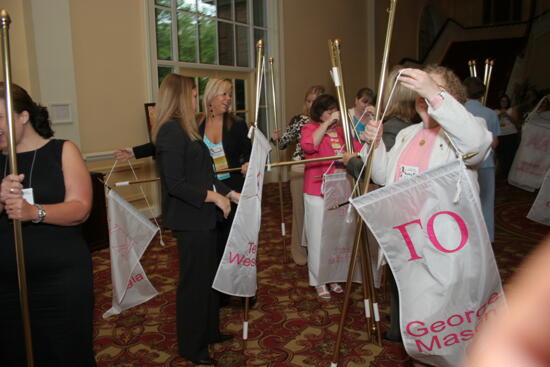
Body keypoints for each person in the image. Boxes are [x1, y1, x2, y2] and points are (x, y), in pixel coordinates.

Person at [343, 65, 492, 344]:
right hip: (407, 239)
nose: (425, 98)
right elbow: (384, 176)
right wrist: (374, 145)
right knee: (417, 319)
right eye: (421, 93)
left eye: (434, 91)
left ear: (452, 99)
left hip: (444, 243)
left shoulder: (466, 132)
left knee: (445, 319)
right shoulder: (406, 134)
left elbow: (476, 148)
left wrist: (433, 93)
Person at [0, 84, 96, 366]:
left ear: (23, 116)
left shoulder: (62, 151)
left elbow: (80, 209)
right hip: (6, 283)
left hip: (60, 280)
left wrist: (34, 212)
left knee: (65, 352)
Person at [153, 74, 239, 366]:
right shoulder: (170, 132)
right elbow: (176, 184)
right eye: (191, 95)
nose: (195, 100)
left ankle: (210, 331)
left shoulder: (186, 130)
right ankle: (192, 346)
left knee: (209, 280)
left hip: (204, 218)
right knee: (193, 286)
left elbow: (206, 175)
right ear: (178, 98)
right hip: (190, 221)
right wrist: (215, 198)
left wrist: (231, 193)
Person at [300, 94, 363, 299]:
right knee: (318, 237)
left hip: (340, 190)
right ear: (320, 113)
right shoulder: (310, 128)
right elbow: (309, 146)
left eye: (334, 109)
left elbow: (360, 150)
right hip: (317, 191)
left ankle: (332, 275)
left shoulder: (342, 132)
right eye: (328, 110)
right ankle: (318, 280)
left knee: (336, 237)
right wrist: (326, 123)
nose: (333, 113)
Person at [271, 85, 324, 265]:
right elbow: (283, 144)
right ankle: (299, 251)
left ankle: (318, 249)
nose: (311, 105)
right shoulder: (299, 120)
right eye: (308, 101)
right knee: (300, 212)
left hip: (321, 170)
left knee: (319, 213)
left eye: (315, 101)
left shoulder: (329, 121)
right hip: (300, 170)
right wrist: (277, 138)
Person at [464, 77, 500, 244]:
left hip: (463, 164)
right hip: (485, 164)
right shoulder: (490, 113)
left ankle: (466, 238)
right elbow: (494, 142)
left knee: (464, 202)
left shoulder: (459, 111)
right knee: (486, 202)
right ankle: (487, 238)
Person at [494, 94, 519, 178]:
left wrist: (507, 115)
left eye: (506, 101)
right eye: (502, 101)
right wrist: (500, 114)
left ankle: (508, 175)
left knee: (509, 156)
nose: (504, 102)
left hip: (511, 135)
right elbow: (492, 123)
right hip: (500, 135)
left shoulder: (512, 109)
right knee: (499, 155)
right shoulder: (495, 111)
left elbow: (517, 123)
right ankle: (499, 173)